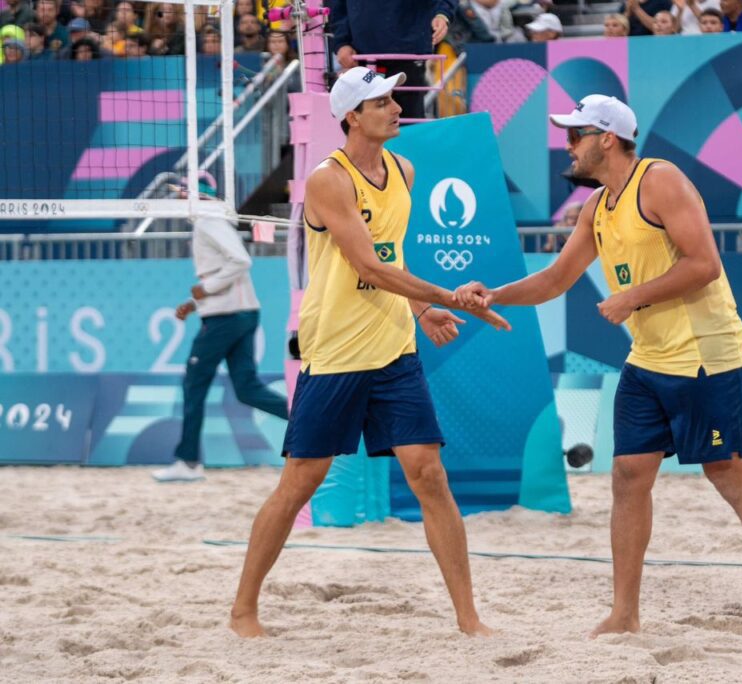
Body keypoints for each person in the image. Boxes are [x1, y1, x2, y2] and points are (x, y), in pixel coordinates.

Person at [453, 94, 742, 651]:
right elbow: (555, 279)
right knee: (627, 477)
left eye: (575, 134)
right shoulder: (598, 206)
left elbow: (705, 263)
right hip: (649, 358)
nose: (566, 144)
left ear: (605, 138)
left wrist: (632, 298)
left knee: (731, 475)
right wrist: (493, 295)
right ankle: (624, 614)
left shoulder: (660, 180)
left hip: (705, 353)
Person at [229, 66, 509, 639]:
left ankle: (469, 619)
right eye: (382, 102)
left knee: (430, 474)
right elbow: (367, 266)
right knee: (300, 482)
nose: (396, 108)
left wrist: (422, 309)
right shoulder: (328, 180)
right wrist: (449, 295)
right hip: (335, 354)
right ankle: (242, 611)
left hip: (393, 351)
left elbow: (392, 259)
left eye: (394, 99)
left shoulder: (404, 170)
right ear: (352, 116)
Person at [153, 176, 290, 483]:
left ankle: (188, 462)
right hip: (239, 313)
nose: (176, 199)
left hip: (226, 319)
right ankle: (312, 426)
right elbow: (226, 269)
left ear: (193, 194)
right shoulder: (213, 218)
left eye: (180, 193)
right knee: (247, 389)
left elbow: (241, 261)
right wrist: (194, 300)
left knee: (194, 385)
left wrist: (205, 288)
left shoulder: (207, 219)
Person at [330, 0, 453, 122]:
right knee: (370, 120)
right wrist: (341, 42)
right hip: (366, 60)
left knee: (408, 123)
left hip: (408, 58)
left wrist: (442, 14)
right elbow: (337, 6)